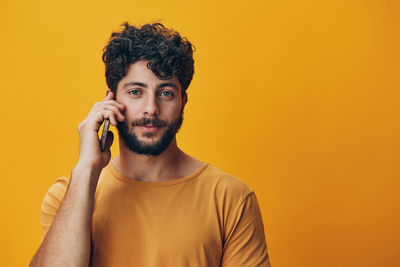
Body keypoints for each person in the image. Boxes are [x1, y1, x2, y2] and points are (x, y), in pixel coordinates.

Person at [30, 22, 271, 267]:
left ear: (183, 102)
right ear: (110, 100)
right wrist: (85, 169)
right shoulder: (67, 196)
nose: (151, 108)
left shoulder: (230, 198)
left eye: (166, 93)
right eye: (136, 92)